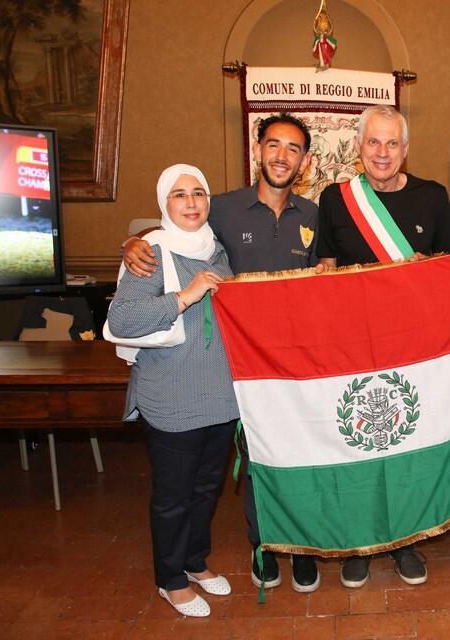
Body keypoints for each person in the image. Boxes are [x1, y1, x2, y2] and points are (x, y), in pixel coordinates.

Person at [121, 114, 323, 593]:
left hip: (287, 367)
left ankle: (299, 547)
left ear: (305, 161)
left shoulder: (313, 215)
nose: (281, 156)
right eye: (273, 144)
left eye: (293, 148)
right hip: (240, 369)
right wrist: (133, 242)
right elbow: (173, 229)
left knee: (294, 459)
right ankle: (265, 546)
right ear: (257, 149)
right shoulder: (222, 210)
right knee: (254, 465)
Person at [317, 105, 450, 588]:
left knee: (406, 442)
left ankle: (405, 539)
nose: (382, 153)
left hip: (412, 346)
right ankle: (362, 540)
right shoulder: (336, 199)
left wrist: (427, 270)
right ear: (358, 147)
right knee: (358, 442)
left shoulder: (433, 197)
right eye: (373, 143)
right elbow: (324, 271)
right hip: (353, 345)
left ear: (406, 148)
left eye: (392, 143)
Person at [107, 164, 237, 617]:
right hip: (172, 397)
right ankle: (170, 578)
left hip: (220, 394)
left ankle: (195, 562)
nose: (191, 202)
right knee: (173, 494)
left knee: (206, 488)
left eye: (198, 192)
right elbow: (122, 322)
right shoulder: (150, 253)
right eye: (179, 195)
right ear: (165, 204)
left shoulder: (217, 250)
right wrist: (185, 295)